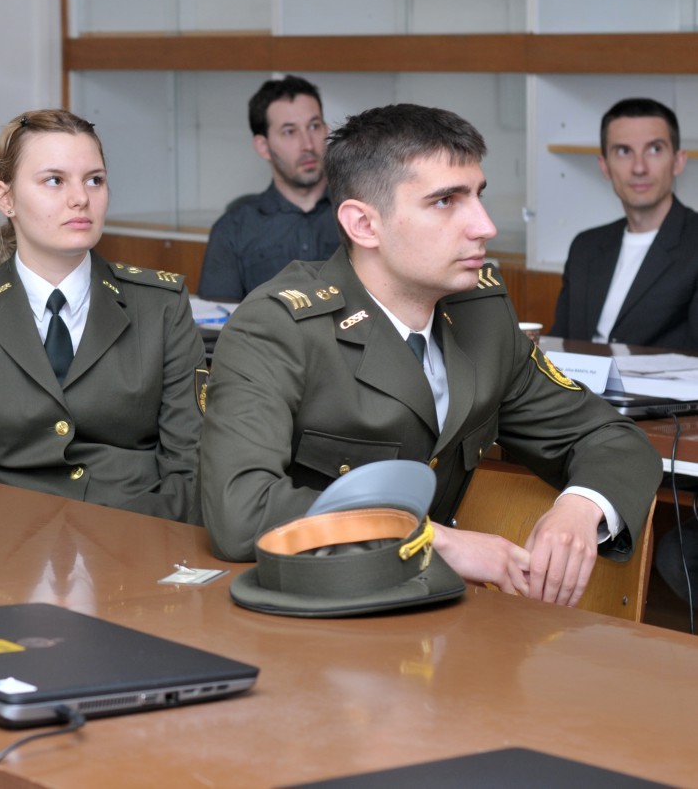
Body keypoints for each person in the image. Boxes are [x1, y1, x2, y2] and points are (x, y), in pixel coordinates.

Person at [200, 103, 660, 607]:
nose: (484, 226)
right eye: (445, 201)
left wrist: (579, 508)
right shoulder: (280, 326)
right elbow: (241, 511)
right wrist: (436, 541)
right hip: (303, 611)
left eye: (478, 195)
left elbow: (612, 438)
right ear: (364, 224)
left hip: (433, 612)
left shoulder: (482, 315)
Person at [0, 110, 205, 523]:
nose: (80, 198)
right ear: (6, 198)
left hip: (135, 537)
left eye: (94, 180)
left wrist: (121, 543)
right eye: (55, 180)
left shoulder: (161, 307)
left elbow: (192, 470)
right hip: (2, 546)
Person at [549, 97, 698, 350]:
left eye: (655, 149)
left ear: (678, 161)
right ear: (604, 166)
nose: (639, 168)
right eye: (623, 151)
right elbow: (559, 345)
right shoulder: (585, 247)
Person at [198, 75, 340, 301]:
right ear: (263, 146)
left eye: (314, 126)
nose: (308, 145)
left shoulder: (361, 214)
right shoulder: (233, 229)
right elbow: (219, 318)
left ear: (326, 130)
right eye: (289, 131)